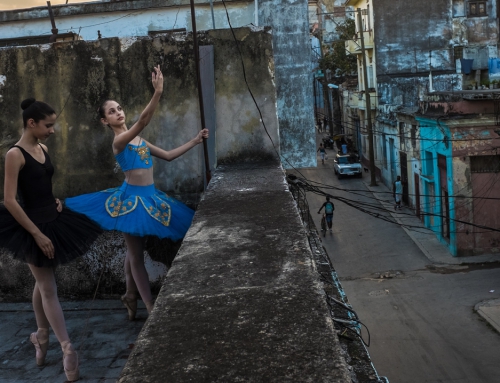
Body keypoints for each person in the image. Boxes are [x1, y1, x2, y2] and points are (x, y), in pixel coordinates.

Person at [65, 65, 209, 320]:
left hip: (151, 197)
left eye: (119, 108)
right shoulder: (119, 141)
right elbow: (143, 121)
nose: (118, 112)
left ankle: (130, 296)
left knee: (135, 253)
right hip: (131, 201)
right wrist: (157, 93)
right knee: (136, 255)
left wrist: (195, 140)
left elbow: (167, 155)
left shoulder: (139, 141)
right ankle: (150, 306)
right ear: (104, 121)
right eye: (112, 111)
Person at [0, 99, 103, 381]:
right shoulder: (15, 154)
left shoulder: (43, 148)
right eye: (48, 125)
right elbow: (10, 200)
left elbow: (41, 185)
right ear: (31, 123)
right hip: (30, 226)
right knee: (48, 287)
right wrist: (36, 233)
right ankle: (68, 348)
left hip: (53, 218)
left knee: (43, 280)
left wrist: (54, 200)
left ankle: (41, 335)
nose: (53, 131)